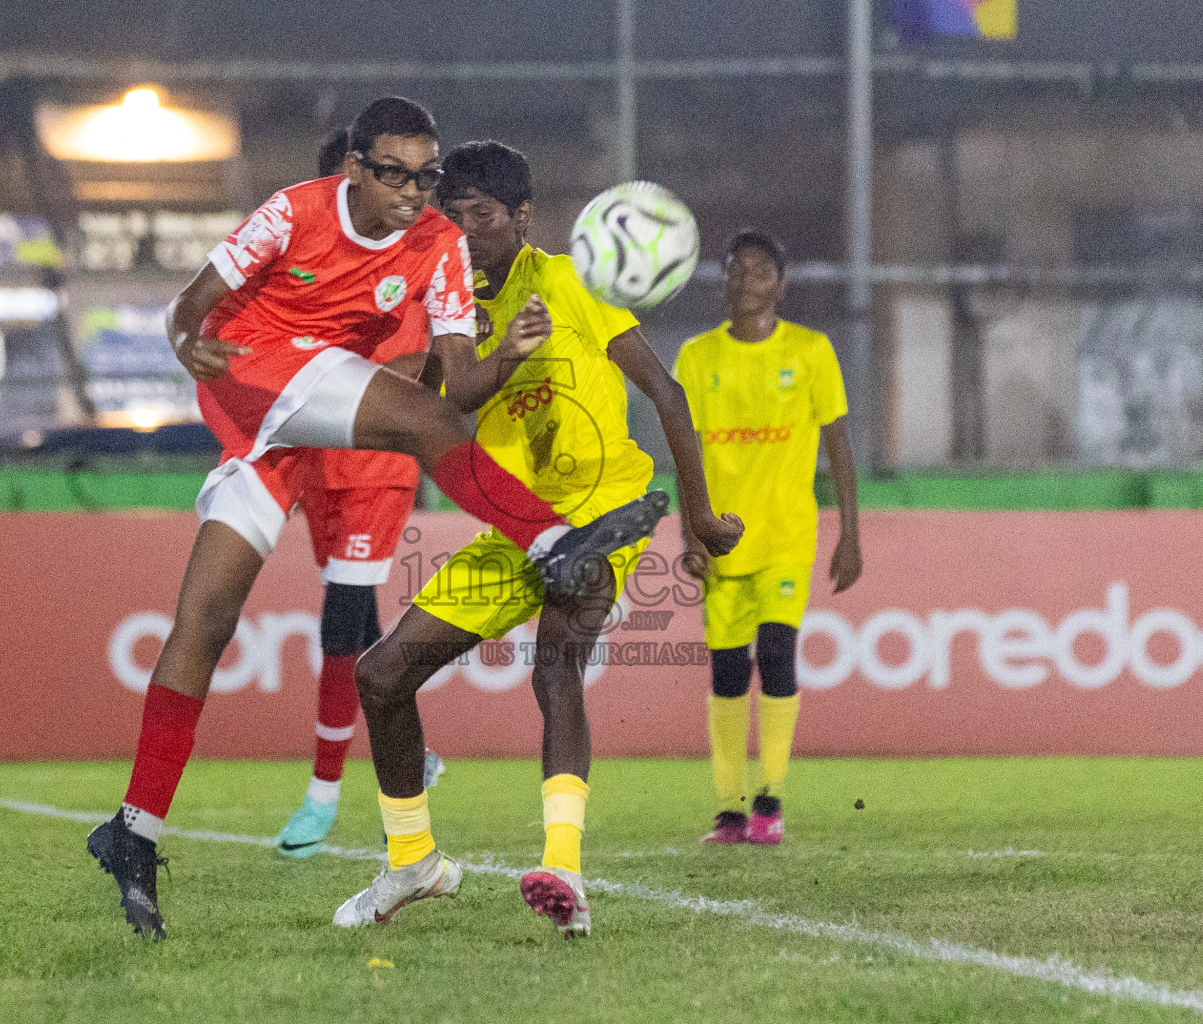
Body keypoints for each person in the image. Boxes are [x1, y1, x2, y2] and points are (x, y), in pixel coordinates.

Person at [85, 99, 670, 941]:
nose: (412, 192)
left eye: (424, 176)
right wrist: (186, 343)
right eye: (394, 173)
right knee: (422, 431)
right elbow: (193, 302)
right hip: (250, 378)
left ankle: (133, 831)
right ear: (355, 167)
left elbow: (458, 389)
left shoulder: (437, 247)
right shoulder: (294, 211)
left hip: (294, 426)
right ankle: (552, 538)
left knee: (205, 620)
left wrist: (504, 359)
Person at [330, 141, 742, 936]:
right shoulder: (452, 302)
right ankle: (412, 863)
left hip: (600, 508)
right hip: (518, 522)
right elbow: (437, 399)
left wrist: (699, 516)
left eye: (479, 215)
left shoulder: (564, 281)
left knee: (556, 663)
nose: (462, 230)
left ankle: (563, 867)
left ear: (521, 217)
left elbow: (666, 390)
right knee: (381, 676)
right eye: (452, 216)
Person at [273, 128, 440, 858]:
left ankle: (322, 792)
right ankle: (412, 753)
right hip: (320, 463)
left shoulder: (407, 261)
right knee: (364, 628)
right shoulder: (295, 263)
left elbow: (413, 359)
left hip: (377, 463)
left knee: (340, 618)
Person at [672, 229, 862, 847]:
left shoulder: (810, 351)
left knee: (777, 655)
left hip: (786, 534)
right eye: (733, 270)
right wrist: (691, 535)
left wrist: (850, 534)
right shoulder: (697, 357)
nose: (742, 280)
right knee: (727, 672)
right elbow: (687, 456)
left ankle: (769, 800)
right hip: (722, 540)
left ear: (778, 285)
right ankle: (728, 810)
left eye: (756, 271)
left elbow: (838, 444)